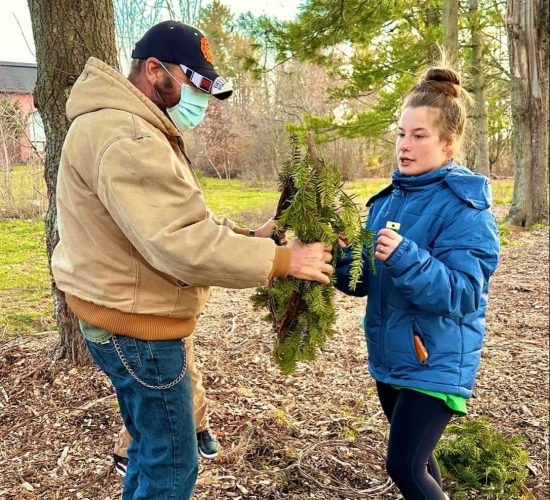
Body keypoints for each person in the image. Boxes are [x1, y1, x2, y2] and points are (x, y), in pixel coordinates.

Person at [51, 20, 333, 500]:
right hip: (137, 330)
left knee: (147, 447)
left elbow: (164, 222)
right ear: (154, 69)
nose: (201, 101)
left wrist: (249, 236)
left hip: (116, 313)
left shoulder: (124, 124)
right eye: (195, 84)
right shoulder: (128, 137)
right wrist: (283, 260)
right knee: (173, 467)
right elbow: (179, 243)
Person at [335, 66, 499, 499]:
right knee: (420, 462)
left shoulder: (466, 208)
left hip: (436, 360)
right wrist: (342, 259)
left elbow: (463, 293)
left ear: (447, 143)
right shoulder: (386, 200)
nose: (404, 146)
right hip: (391, 357)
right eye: (401, 133)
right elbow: (363, 283)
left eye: (419, 136)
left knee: (404, 465)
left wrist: (407, 256)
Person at [112, 337, 219, 478]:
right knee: (142, 388)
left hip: (176, 326)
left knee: (189, 374)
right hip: (135, 331)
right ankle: (126, 445)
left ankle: (200, 427)